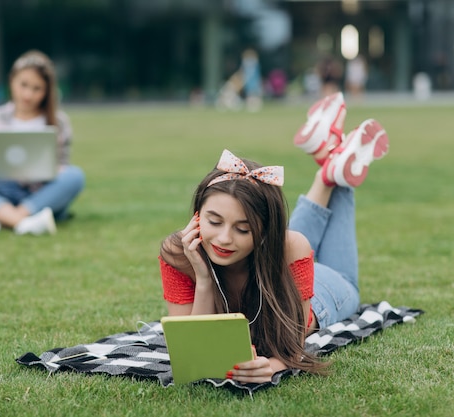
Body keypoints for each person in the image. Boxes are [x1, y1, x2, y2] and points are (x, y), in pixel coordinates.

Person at [158, 92, 389, 384]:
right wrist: (203, 279)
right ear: (196, 215)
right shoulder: (178, 254)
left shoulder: (291, 247)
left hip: (321, 293)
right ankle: (330, 165)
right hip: (276, 256)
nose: (224, 239)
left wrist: (273, 364)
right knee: (286, 235)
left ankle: (334, 172)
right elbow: (192, 351)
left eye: (243, 229)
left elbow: (293, 343)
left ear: (265, 234)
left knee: (345, 280)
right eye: (214, 221)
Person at [0, 50, 85, 236]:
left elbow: (63, 166)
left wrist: (48, 170)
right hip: (3, 191)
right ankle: (25, 223)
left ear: (46, 92)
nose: (28, 94)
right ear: (12, 81)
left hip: (40, 194)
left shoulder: (58, 122)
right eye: (23, 85)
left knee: (75, 176)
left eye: (37, 89)